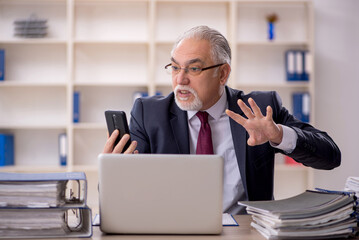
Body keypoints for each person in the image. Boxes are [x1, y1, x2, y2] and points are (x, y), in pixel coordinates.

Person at [103, 26, 341, 214]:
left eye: (193, 69)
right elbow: (123, 199)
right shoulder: (149, 113)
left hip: (246, 232)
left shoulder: (257, 109)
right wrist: (113, 172)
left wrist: (278, 135)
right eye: (175, 68)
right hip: (174, 231)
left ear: (223, 74)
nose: (180, 80)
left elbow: (330, 156)